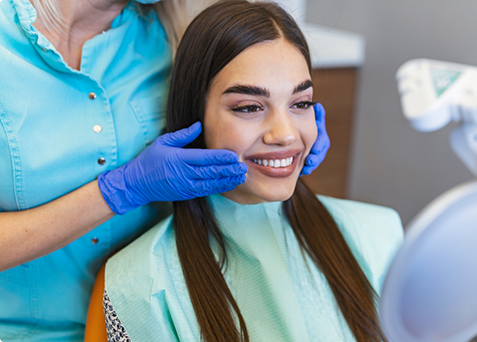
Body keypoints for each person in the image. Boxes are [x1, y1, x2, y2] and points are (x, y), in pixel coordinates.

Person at [0, 0, 329, 340]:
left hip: (154, 319)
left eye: (302, 103)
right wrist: (121, 190)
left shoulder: (167, 32)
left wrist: (287, 134)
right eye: (248, 106)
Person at [88, 1, 403, 341]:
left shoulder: (380, 238)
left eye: (300, 103)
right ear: (195, 118)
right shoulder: (138, 286)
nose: (284, 133)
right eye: (250, 107)